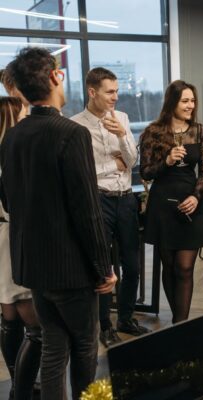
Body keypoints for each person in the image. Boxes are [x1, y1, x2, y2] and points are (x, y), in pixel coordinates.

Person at [0, 47, 117, 400]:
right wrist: (103, 269)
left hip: (33, 269)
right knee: (84, 348)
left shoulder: (13, 136)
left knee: (53, 348)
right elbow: (88, 211)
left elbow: (9, 201)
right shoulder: (71, 133)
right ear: (54, 77)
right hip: (72, 271)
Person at [71, 67, 150, 348]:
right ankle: (104, 325)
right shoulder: (76, 126)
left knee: (132, 265)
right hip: (98, 201)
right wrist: (111, 165)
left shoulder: (123, 119)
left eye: (117, 91)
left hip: (126, 199)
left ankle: (125, 318)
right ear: (92, 92)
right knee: (104, 268)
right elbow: (83, 173)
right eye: (110, 92)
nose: (116, 97)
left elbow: (132, 161)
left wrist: (122, 136)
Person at [139, 80, 203, 323]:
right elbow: (146, 172)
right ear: (172, 102)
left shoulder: (199, 131)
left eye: (193, 100)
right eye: (185, 101)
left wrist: (196, 195)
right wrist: (167, 161)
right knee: (168, 267)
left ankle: (181, 323)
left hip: (191, 203)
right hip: (163, 207)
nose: (191, 105)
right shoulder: (153, 132)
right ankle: (177, 324)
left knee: (185, 267)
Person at [0, 96, 41, 400]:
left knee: (9, 318)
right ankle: (22, 390)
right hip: (13, 240)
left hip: (3, 239)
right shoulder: (11, 159)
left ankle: (19, 384)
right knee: (36, 328)